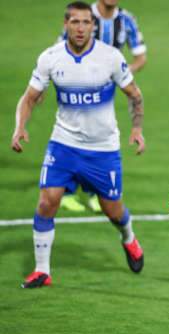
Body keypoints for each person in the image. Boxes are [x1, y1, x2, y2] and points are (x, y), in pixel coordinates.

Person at [11, 1, 146, 288]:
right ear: (65, 25)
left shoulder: (110, 58)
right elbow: (30, 97)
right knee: (47, 201)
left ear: (93, 26)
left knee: (113, 211)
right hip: (64, 145)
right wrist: (20, 127)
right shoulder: (51, 58)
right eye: (75, 22)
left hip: (103, 149)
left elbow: (134, 94)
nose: (81, 28)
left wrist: (136, 129)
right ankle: (42, 271)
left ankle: (128, 238)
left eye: (86, 22)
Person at [59, 0, 147, 213]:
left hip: (105, 91)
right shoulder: (84, 17)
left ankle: (90, 193)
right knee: (73, 135)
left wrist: (122, 74)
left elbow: (141, 57)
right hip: (76, 86)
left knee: (97, 135)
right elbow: (59, 49)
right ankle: (66, 191)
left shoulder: (126, 20)